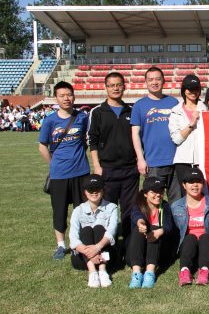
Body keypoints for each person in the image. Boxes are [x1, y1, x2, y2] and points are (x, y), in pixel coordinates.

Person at [39, 81, 90, 260]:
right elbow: (42, 146)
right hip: (59, 174)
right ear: (56, 98)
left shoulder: (82, 117)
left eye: (69, 95)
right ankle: (61, 245)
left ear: (73, 96)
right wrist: (53, 164)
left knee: (82, 210)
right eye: (62, 95)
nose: (66, 98)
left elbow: (85, 141)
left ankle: (79, 243)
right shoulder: (50, 120)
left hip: (81, 172)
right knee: (59, 210)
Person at [88, 72, 139, 240]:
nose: (115, 88)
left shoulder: (131, 111)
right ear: (106, 88)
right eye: (111, 85)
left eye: (118, 85)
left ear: (124, 87)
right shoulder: (97, 112)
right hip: (107, 169)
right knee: (107, 209)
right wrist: (97, 166)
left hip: (130, 170)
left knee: (130, 209)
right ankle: (108, 244)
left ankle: (129, 244)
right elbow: (93, 141)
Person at [131, 67, 180, 203]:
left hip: (176, 160)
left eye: (158, 79)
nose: (154, 82)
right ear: (146, 82)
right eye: (150, 79)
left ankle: (173, 219)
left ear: (163, 81)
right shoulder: (139, 105)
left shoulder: (174, 103)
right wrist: (140, 159)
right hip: (153, 163)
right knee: (153, 202)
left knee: (177, 202)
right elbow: (135, 134)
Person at [171, 167, 209, 286]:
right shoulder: (176, 206)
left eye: (198, 182)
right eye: (191, 182)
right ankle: (185, 271)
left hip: (208, 244)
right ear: (184, 185)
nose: (195, 185)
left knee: (205, 237)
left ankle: (204, 271)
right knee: (190, 237)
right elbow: (174, 231)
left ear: (203, 184)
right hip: (188, 245)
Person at [68, 174, 118, 288]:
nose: (94, 192)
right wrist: (90, 254)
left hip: (107, 257)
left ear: (103, 190)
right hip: (82, 259)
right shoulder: (78, 210)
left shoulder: (112, 207)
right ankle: (92, 272)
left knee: (99, 228)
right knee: (86, 230)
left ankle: (102, 271)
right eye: (91, 189)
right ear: (85, 192)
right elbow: (73, 238)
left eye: (97, 189)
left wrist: (97, 248)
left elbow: (112, 231)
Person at [127, 176, 174, 289]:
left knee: (154, 228)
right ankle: (136, 273)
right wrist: (140, 222)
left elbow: (169, 226)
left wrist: (160, 231)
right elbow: (136, 215)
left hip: (158, 252)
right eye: (154, 192)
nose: (158, 195)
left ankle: (150, 273)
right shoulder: (137, 205)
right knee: (138, 229)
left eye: (161, 191)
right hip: (137, 251)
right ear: (145, 194)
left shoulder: (165, 206)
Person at [169, 74, 208, 195]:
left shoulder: (206, 109)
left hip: (202, 159)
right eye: (190, 89)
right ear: (184, 90)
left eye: (196, 89)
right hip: (183, 160)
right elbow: (176, 139)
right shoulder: (175, 111)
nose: (193, 92)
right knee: (186, 195)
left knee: (203, 194)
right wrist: (191, 124)